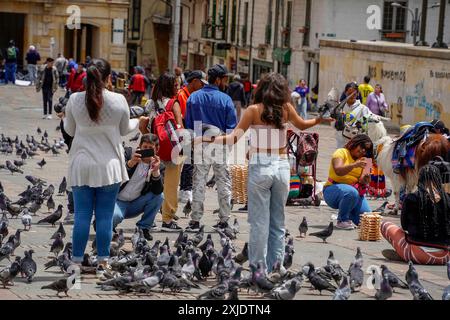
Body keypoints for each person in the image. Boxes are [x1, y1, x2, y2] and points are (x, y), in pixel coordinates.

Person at [210, 72, 333, 272]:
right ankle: (276, 267)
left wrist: (206, 139)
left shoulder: (253, 110)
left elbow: (233, 139)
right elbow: (303, 125)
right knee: (278, 223)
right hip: (282, 166)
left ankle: (259, 269)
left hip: (260, 165)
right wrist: (320, 119)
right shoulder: (286, 109)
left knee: (259, 223)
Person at [62, 58, 143, 275]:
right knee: (105, 216)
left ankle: (77, 261)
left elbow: (69, 130)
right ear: (108, 78)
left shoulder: (75, 99)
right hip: (109, 166)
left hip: (82, 164)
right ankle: (102, 262)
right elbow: (126, 129)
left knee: (81, 215)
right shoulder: (118, 100)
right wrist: (139, 122)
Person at [185, 64, 237, 232]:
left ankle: (195, 220)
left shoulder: (193, 98)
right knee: (223, 182)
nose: (226, 82)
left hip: (201, 142)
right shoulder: (226, 99)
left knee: (198, 181)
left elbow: (189, 125)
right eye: (224, 79)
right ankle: (224, 220)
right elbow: (231, 127)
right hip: (220, 142)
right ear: (218, 79)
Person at [381, 165, 450, 265]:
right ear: (439, 179)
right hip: (445, 256)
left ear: (420, 179)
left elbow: (404, 225)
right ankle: (405, 254)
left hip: (417, 254)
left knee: (385, 225)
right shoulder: (447, 199)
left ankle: (404, 254)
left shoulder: (412, 198)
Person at [141, 72, 184, 232]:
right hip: (173, 149)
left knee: (150, 183)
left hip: (153, 147)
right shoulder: (174, 103)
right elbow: (180, 128)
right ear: (169, 87)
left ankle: (148, 219)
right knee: (171, 185)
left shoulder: (150, 103)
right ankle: (167, 219)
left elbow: (142, 126)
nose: (178, 88)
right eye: (175, 85)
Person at [113, 134, 164, 240]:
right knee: (115, 217)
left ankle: (144, 228)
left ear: (157, 149)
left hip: (136, 203)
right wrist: (130, 163)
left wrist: (155, 170)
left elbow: (157, 191)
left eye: (151, 148)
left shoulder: (160, 165)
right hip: (116, 201)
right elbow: (113, 176)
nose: (147, 150)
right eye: (145, 147)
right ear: (140, 146)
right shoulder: (127, 153)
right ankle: (103, 223)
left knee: (160, 196)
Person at [323, 134, 373, 230]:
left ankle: (348, 211)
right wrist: (354, 165)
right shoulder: (341, 152)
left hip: (354, 194)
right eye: (362, 147)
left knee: (368, 223)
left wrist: (366, 178)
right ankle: (342, 220)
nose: (363, 151)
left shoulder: (367, 161)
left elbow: (363, 180)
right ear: (355, 143)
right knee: (351, 192)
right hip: (332, 190)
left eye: (366, 150)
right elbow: (338, 170)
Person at [176, 71, 208, 213]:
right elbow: (184, 117)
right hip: (185, 133)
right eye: (201, 83)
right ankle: (185, 190)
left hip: (191, 132)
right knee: (186, 162)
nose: (202, 86)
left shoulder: (190, 95)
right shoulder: (182, 95)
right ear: (194, 81)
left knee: (188, 162)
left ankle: (184, 189)